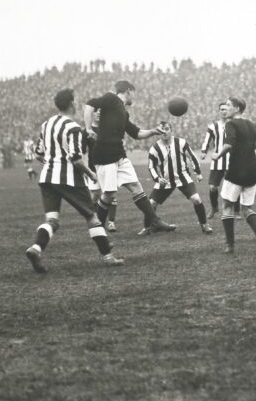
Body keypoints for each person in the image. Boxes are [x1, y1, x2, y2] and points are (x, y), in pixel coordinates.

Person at [26, 89, 124, 273]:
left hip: (47, 177)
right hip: (69, 179)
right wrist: (91, 175)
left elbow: (38, 154)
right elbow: (76, 159)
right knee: (91, 217)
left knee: (52, 220)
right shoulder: (73, 127)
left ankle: (36, 248)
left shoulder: (47, 124)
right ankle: (108, 256)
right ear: (72, 103)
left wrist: (52, 163)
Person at [83, 80, 173, 234]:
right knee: (109, 195)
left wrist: (153, 131)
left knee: (136, 187)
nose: (134, 97)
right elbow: (90, 104)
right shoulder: (112, 99)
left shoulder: (123, 112)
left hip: (119, 155)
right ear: (128, 91)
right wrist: (87, 128)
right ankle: (97, 228)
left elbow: (136, 133)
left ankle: (155, 221)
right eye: (133, 93)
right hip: (105, 154)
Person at [211, 97, 256, 254]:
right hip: (252, 172)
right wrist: (252, 146)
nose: (226, 108)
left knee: (227, 206)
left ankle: (230, 245)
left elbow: (228, 144)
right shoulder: (252, 125)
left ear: (237, 109)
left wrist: (217, 155)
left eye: (228, 105)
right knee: (246, 209)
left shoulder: (231, 124)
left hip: (236, 171)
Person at [144, 122, 212, 235]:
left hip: (183, 178)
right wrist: (157, 178)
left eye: (166, 129)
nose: (164, 132)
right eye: (161, 130)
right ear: (158, 132)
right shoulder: (154, 148)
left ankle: (204, 225)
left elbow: (192, 157)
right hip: (165, 180)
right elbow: (151, 167)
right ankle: (147, 228)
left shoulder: (181, 143)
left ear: (171, 130)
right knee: (151, 204)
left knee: (196, 199)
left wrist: (198, 173)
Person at [200, 102, 231, 219]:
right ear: (219, 111)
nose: (224, 111)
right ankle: (214, 208)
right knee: (212, 187)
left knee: (234, 186)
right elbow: (207, 140)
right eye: (222, 109)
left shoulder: (234, 125)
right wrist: (203, 151)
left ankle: (236, 210)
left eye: (226, 109)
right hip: (217, 161)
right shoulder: (213, 126)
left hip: (231, 160)